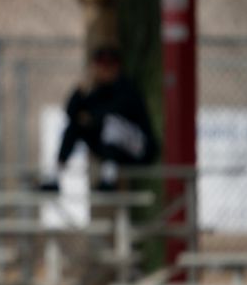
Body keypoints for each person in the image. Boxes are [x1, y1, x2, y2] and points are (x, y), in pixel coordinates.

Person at [41, 45, 159, 192]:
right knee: (74, 126)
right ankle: (55, 177)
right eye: (101, 65)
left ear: (117, 67)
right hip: (111, 149)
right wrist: (81, 90)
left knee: (111, 124)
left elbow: (109, 114)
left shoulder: (127, 88)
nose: (104, 70)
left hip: (140, 149)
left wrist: (91, 118)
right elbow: (71, 113)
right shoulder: (97, 90)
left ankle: (109, 181)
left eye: (109, 65)